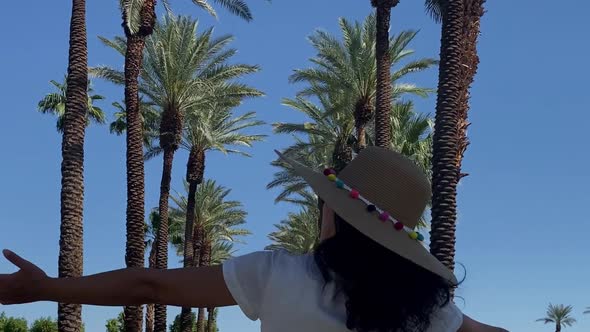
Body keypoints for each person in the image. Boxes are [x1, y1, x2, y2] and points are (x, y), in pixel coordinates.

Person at [0, 147, 508, 332]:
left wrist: (46, 289)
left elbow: (148, 287)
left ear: (337, 213)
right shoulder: (430, 313)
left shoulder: (276, 276)